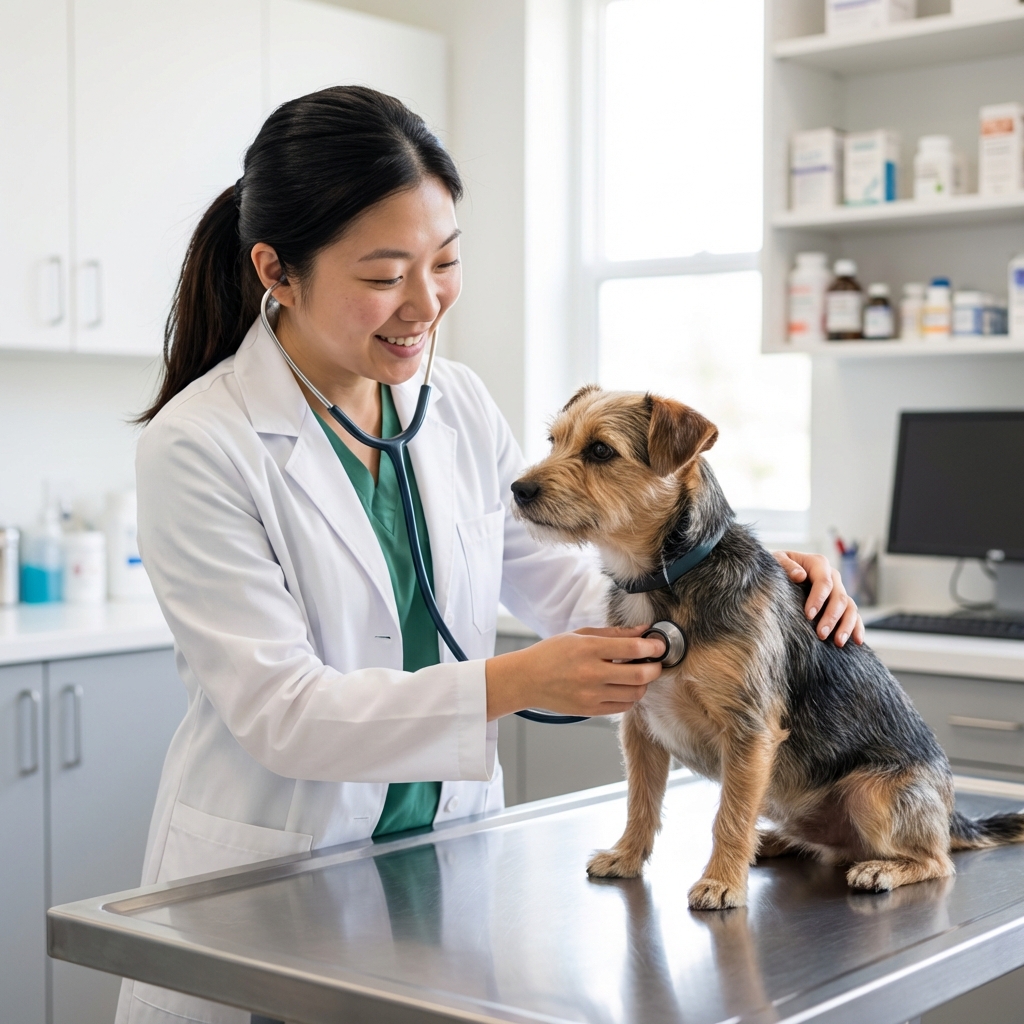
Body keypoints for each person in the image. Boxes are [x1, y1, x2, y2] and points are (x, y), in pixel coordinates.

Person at [117, 86, 862, 1024]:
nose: (425, 303)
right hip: (272, 879)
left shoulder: (454, 403)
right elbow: (283, 715)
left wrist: (738, 582)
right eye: (385, 274)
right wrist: (513, 683)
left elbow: (578, 594)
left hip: (438, 865)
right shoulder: (200, 444)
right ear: (277, 270)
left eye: (445, 261)